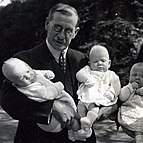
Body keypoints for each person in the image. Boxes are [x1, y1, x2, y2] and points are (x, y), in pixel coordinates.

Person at [0, 3, 117, 143]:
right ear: (47, 24)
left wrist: (109, 108)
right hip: (37, 138)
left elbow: (106, 84)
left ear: (76, 32)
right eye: (57, 27)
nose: (61, 35)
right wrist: (52, 107)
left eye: (68, 30)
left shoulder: (83, 60)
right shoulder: (23, 61)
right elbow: (8, 99)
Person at [1, 57, 81, 139]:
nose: (28, 76)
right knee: (76, 123)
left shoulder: (80, 57)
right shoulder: (21, 60)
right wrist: (52, 105)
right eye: (23, 78)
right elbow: (8, 100)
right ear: (16, 84)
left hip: (73, 112)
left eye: (28, 71)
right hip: (40, 133)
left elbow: (39, 73)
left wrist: (47, 74)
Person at [76, 45, 121, 138]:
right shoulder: (87, 70)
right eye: (95, 61)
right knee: (80, 107)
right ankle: (82, 127)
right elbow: (79, 75)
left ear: (109, 63)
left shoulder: (110, 75)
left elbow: (116, 86)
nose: (99, 63)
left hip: (96, 100)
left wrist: (110, 94)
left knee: (94, 109)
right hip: (85, 97)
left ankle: (88, 123)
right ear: (89, 63)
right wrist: (87, 78)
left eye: (103, 61)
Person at [117, 62, 143, 143]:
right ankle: (139, 139)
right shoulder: (128, 87)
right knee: (135, 125)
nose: (137, 78)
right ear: (129, 77)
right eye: (134, 75)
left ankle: (140, 140)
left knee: (141, 124)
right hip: (130, 111)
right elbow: (122, 97)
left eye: (142, 76)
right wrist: (130, 88)